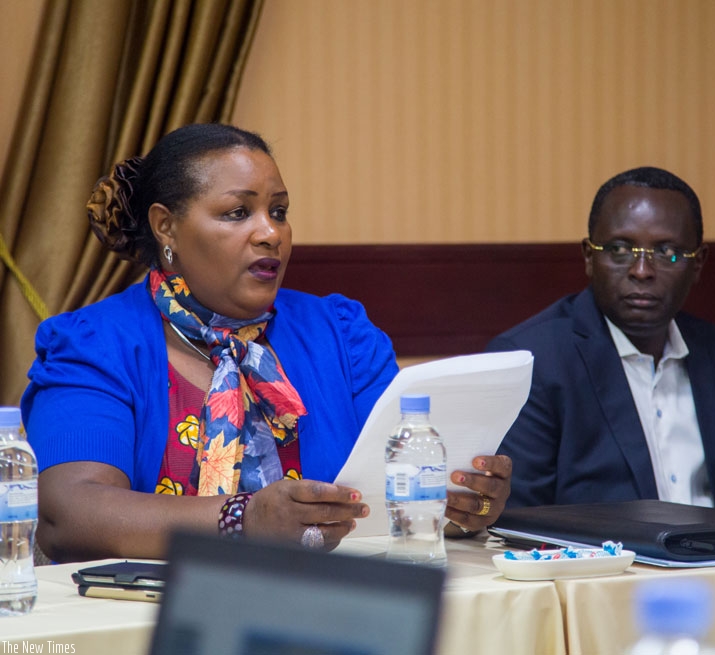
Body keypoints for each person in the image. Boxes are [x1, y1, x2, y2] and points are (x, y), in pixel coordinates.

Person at [21, 123, 511, 563]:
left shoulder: (340, 333)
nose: (270, 233)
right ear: (165, 226)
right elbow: (71, 515)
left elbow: (388, 495)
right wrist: (243, 520)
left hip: (336, 605)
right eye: (238, 212)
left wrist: (458, 504)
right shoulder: (94, 345)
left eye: (279, 211)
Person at [486, 166, 715, 511]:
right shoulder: (535, 361)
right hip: (601, 565)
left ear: (698, 263)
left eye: (667, 253)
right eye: (619, 250)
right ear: (589, 256)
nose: (641, 271)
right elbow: (519, 519)